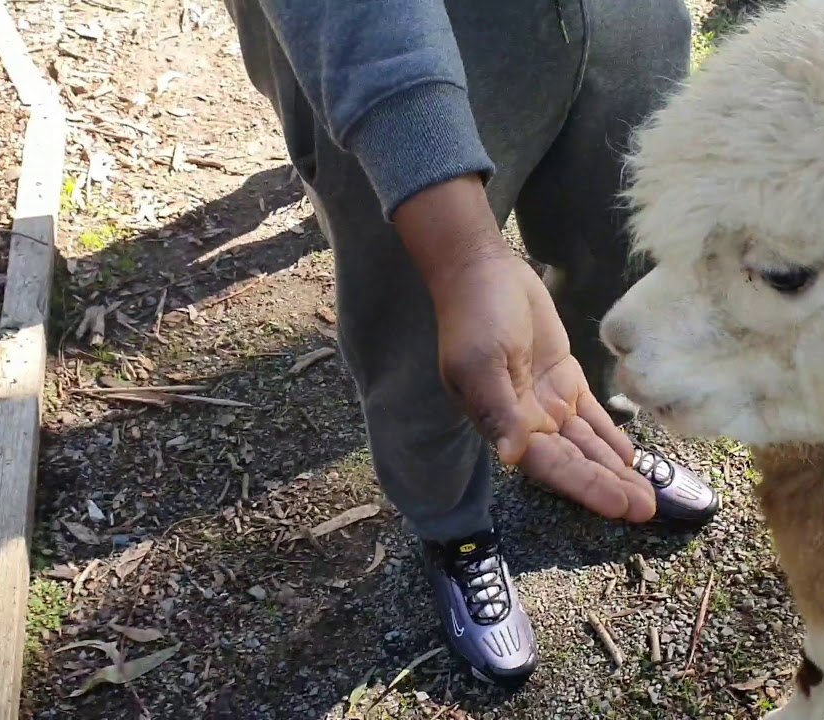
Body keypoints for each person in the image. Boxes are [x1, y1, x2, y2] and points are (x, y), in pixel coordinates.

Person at [222, 0, 720, 685]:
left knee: (620, 244)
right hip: (410, 33)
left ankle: (598, 427)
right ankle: (453, 525)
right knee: (421, 323)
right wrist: (460, 253)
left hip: (630, 19)